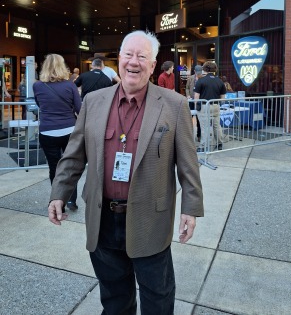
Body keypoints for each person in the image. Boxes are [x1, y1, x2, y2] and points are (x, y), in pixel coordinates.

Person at [48, 30, 204, 315]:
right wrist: (59, 193)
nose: (134, 62)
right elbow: (73, 155)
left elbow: (188, 163)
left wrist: (191, 208)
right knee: (114, 298)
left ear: (153, 65)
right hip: (103, 219)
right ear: (119, 59)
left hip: (150, 220)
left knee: (158, 297)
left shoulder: (174, 105)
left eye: (142, 56)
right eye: (128, 55)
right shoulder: (93, 102)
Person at [33, 54, 82, 211]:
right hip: (69, 130)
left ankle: (56, 201)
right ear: (63, 67)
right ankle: (71, 201)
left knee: (54, 168)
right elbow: (79, 109)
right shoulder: (70, 85)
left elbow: (39, 105)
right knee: (70, 167)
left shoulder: (38, 86)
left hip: (47, 131)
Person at [194, 61, 226, 152]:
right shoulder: (220, 81)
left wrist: (197, 107)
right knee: (217, 126)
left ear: (205, 69)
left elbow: (196, 96)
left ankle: (203, 146)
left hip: (204, 106)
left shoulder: (201, 81)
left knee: (205, 127)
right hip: (216, 106)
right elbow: (223, 97)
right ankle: (219, 144)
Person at [185, 65, 203, 141]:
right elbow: (187, 88)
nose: (199, 74)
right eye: (197, 72)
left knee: (199, 119)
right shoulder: (190, 78)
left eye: (200, 72)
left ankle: (199, 135)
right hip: (191, 101)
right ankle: (189, 136)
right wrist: (188, 95)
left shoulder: (203, 78)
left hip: (199, 101)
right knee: (189, 118)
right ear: (194, 71)